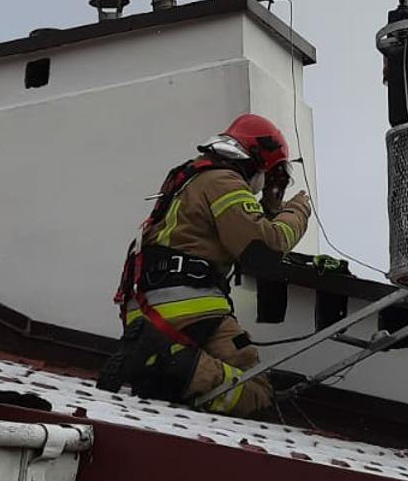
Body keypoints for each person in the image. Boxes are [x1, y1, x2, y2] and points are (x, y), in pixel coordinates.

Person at [99, 113, 312, 415]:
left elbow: (238, 228)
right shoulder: (224, 181)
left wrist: (270, 204)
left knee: (209, 382)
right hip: (190, 308)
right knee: (257, 387)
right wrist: (298, 210)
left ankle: (160, 366)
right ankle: (164, 361)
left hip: (149, 307)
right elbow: (264, 249)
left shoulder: (193, 178)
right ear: (258, 160)